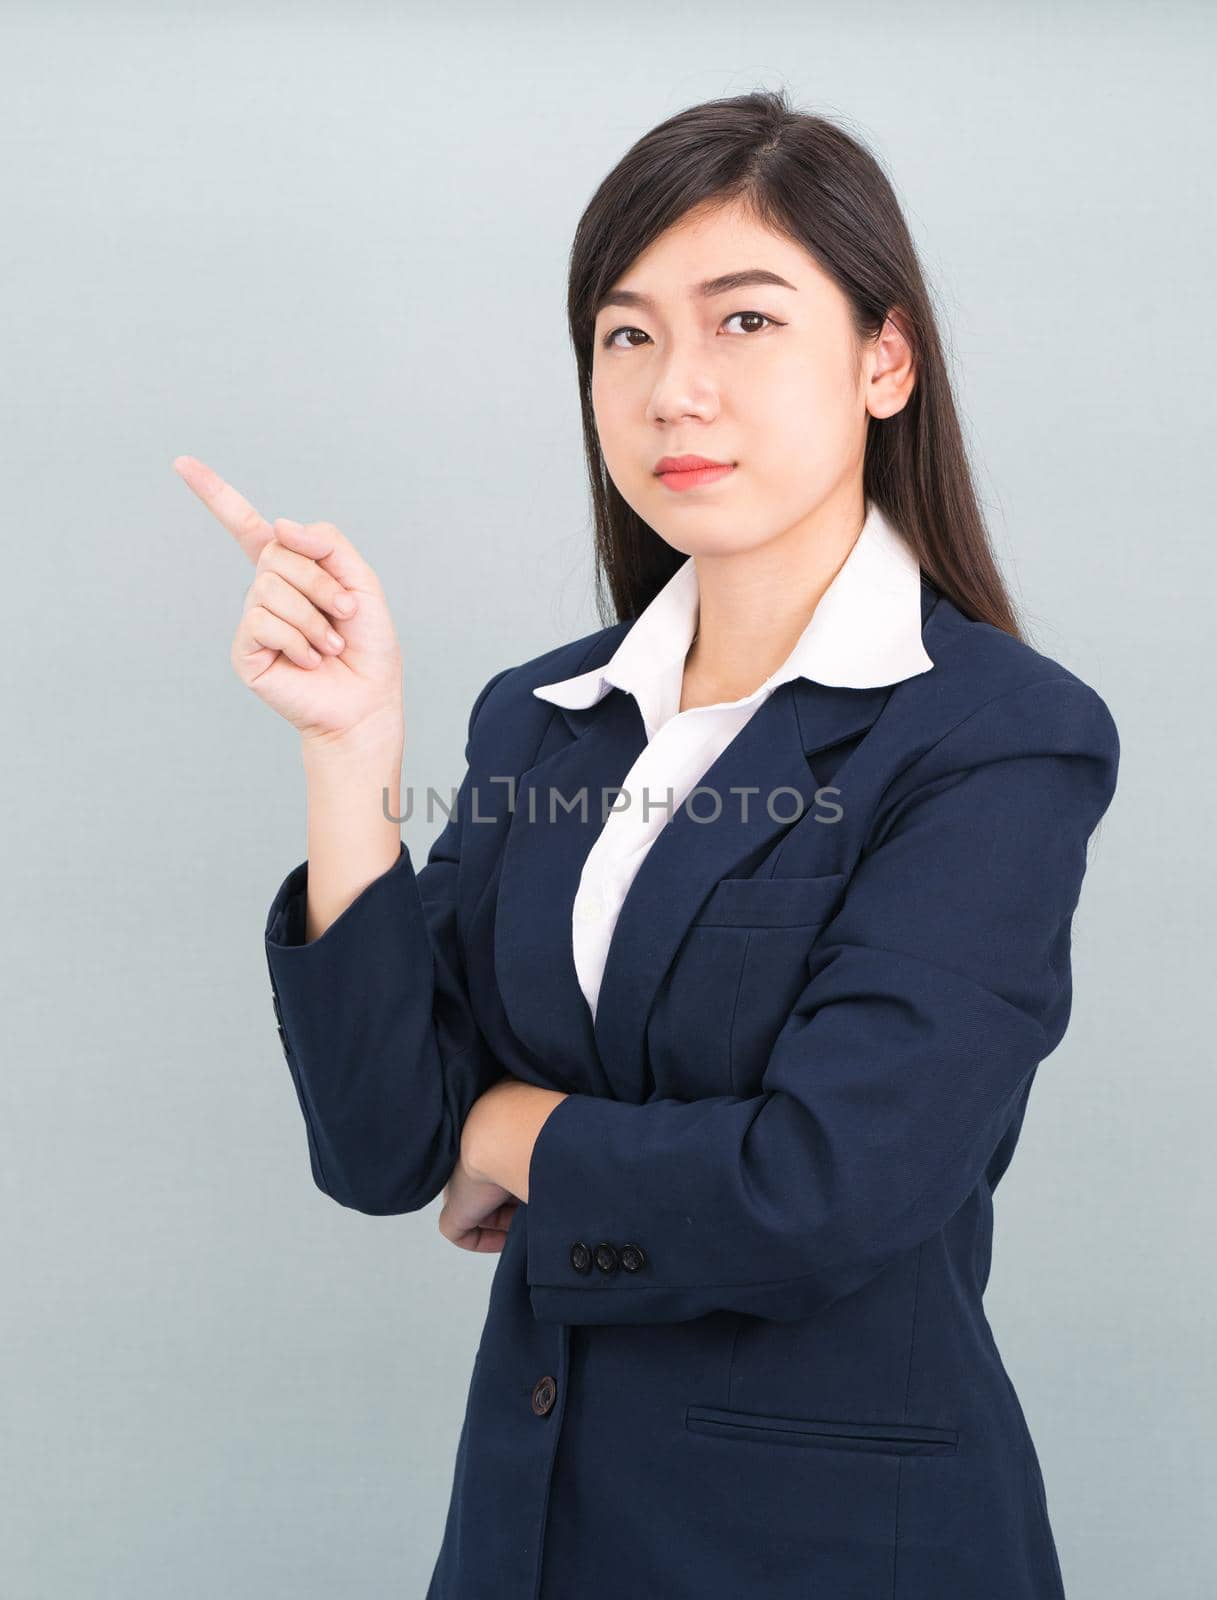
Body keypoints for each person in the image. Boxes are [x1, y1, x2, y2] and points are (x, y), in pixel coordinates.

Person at [177, 88, 1120, 1600]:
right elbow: (376, 1144)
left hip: (831, 1553)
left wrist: (505, 1133)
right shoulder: (545, 719)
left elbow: (824, 1191)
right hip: (527, 1534)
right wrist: (351, 752)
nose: (676, 388)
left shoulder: (993, 735)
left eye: (744, 323)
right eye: (626, 335)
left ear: (883, 361)